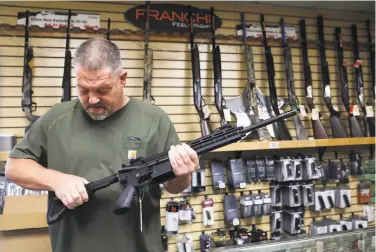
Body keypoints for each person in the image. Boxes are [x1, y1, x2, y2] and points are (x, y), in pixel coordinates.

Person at [5, 37, 200, 252]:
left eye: (102, 90)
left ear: (122, 79)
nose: (92, 99)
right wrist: (57, 181)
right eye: (83, 90)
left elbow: (175, 186)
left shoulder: (154, 120)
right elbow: (14, 166)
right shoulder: (56, 118)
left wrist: (183, 172)